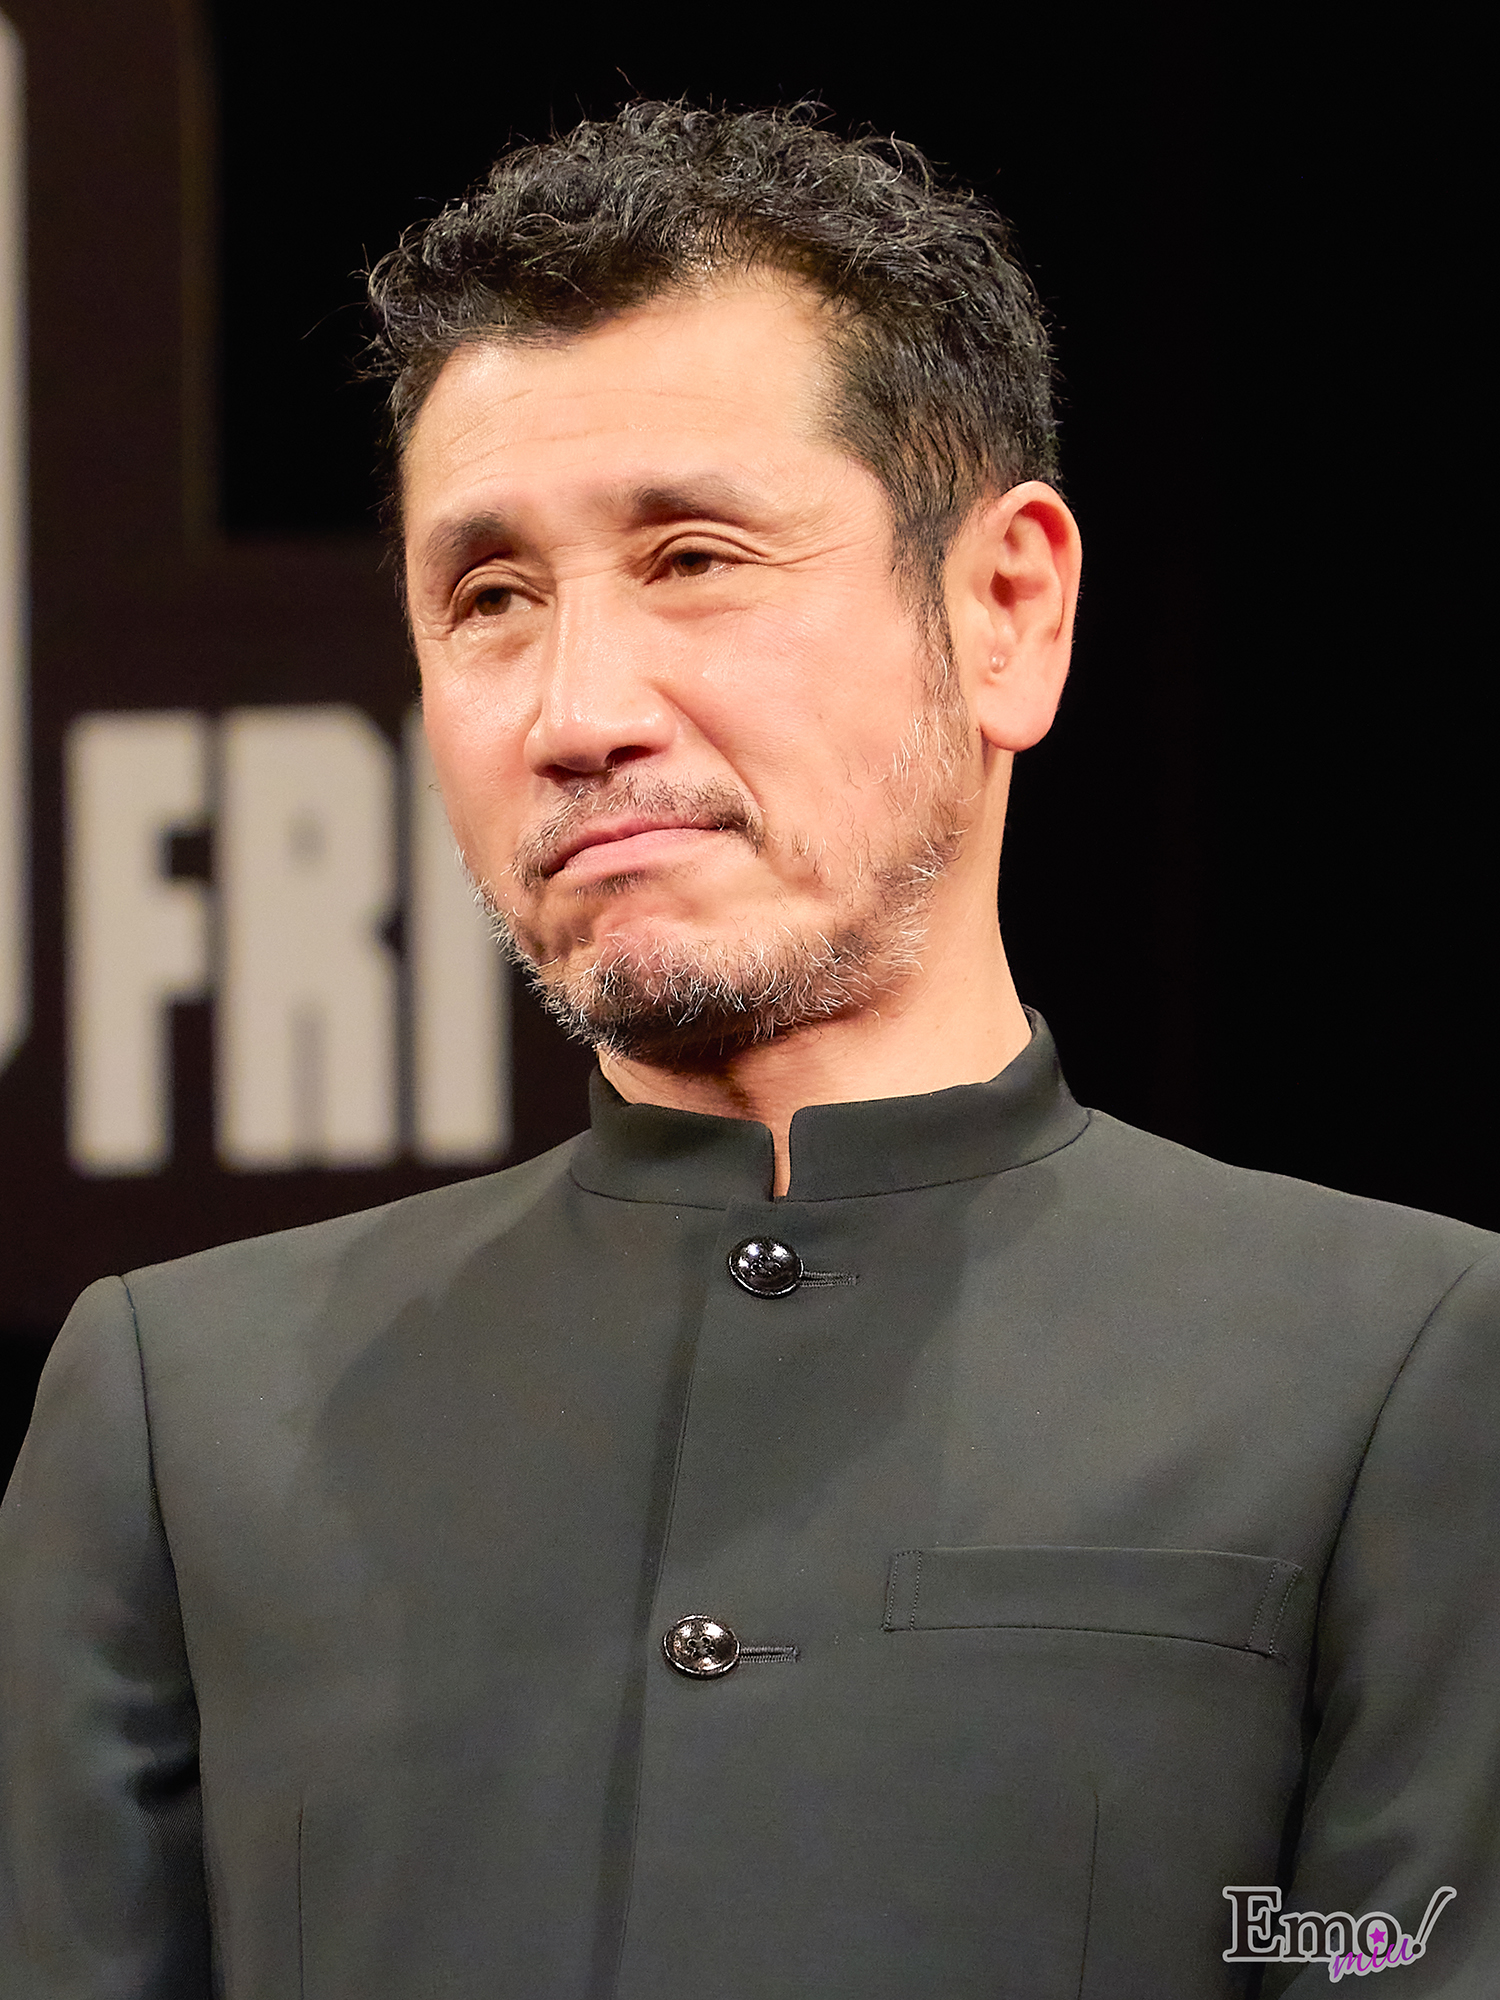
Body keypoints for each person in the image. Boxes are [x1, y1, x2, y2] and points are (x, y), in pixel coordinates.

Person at [1, 102, 1495, 2000]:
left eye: (695, 557)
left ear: (1008, 612)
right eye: (489, 600)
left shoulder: (1391, 1370)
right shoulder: (184, 1414)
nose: (576, 711)